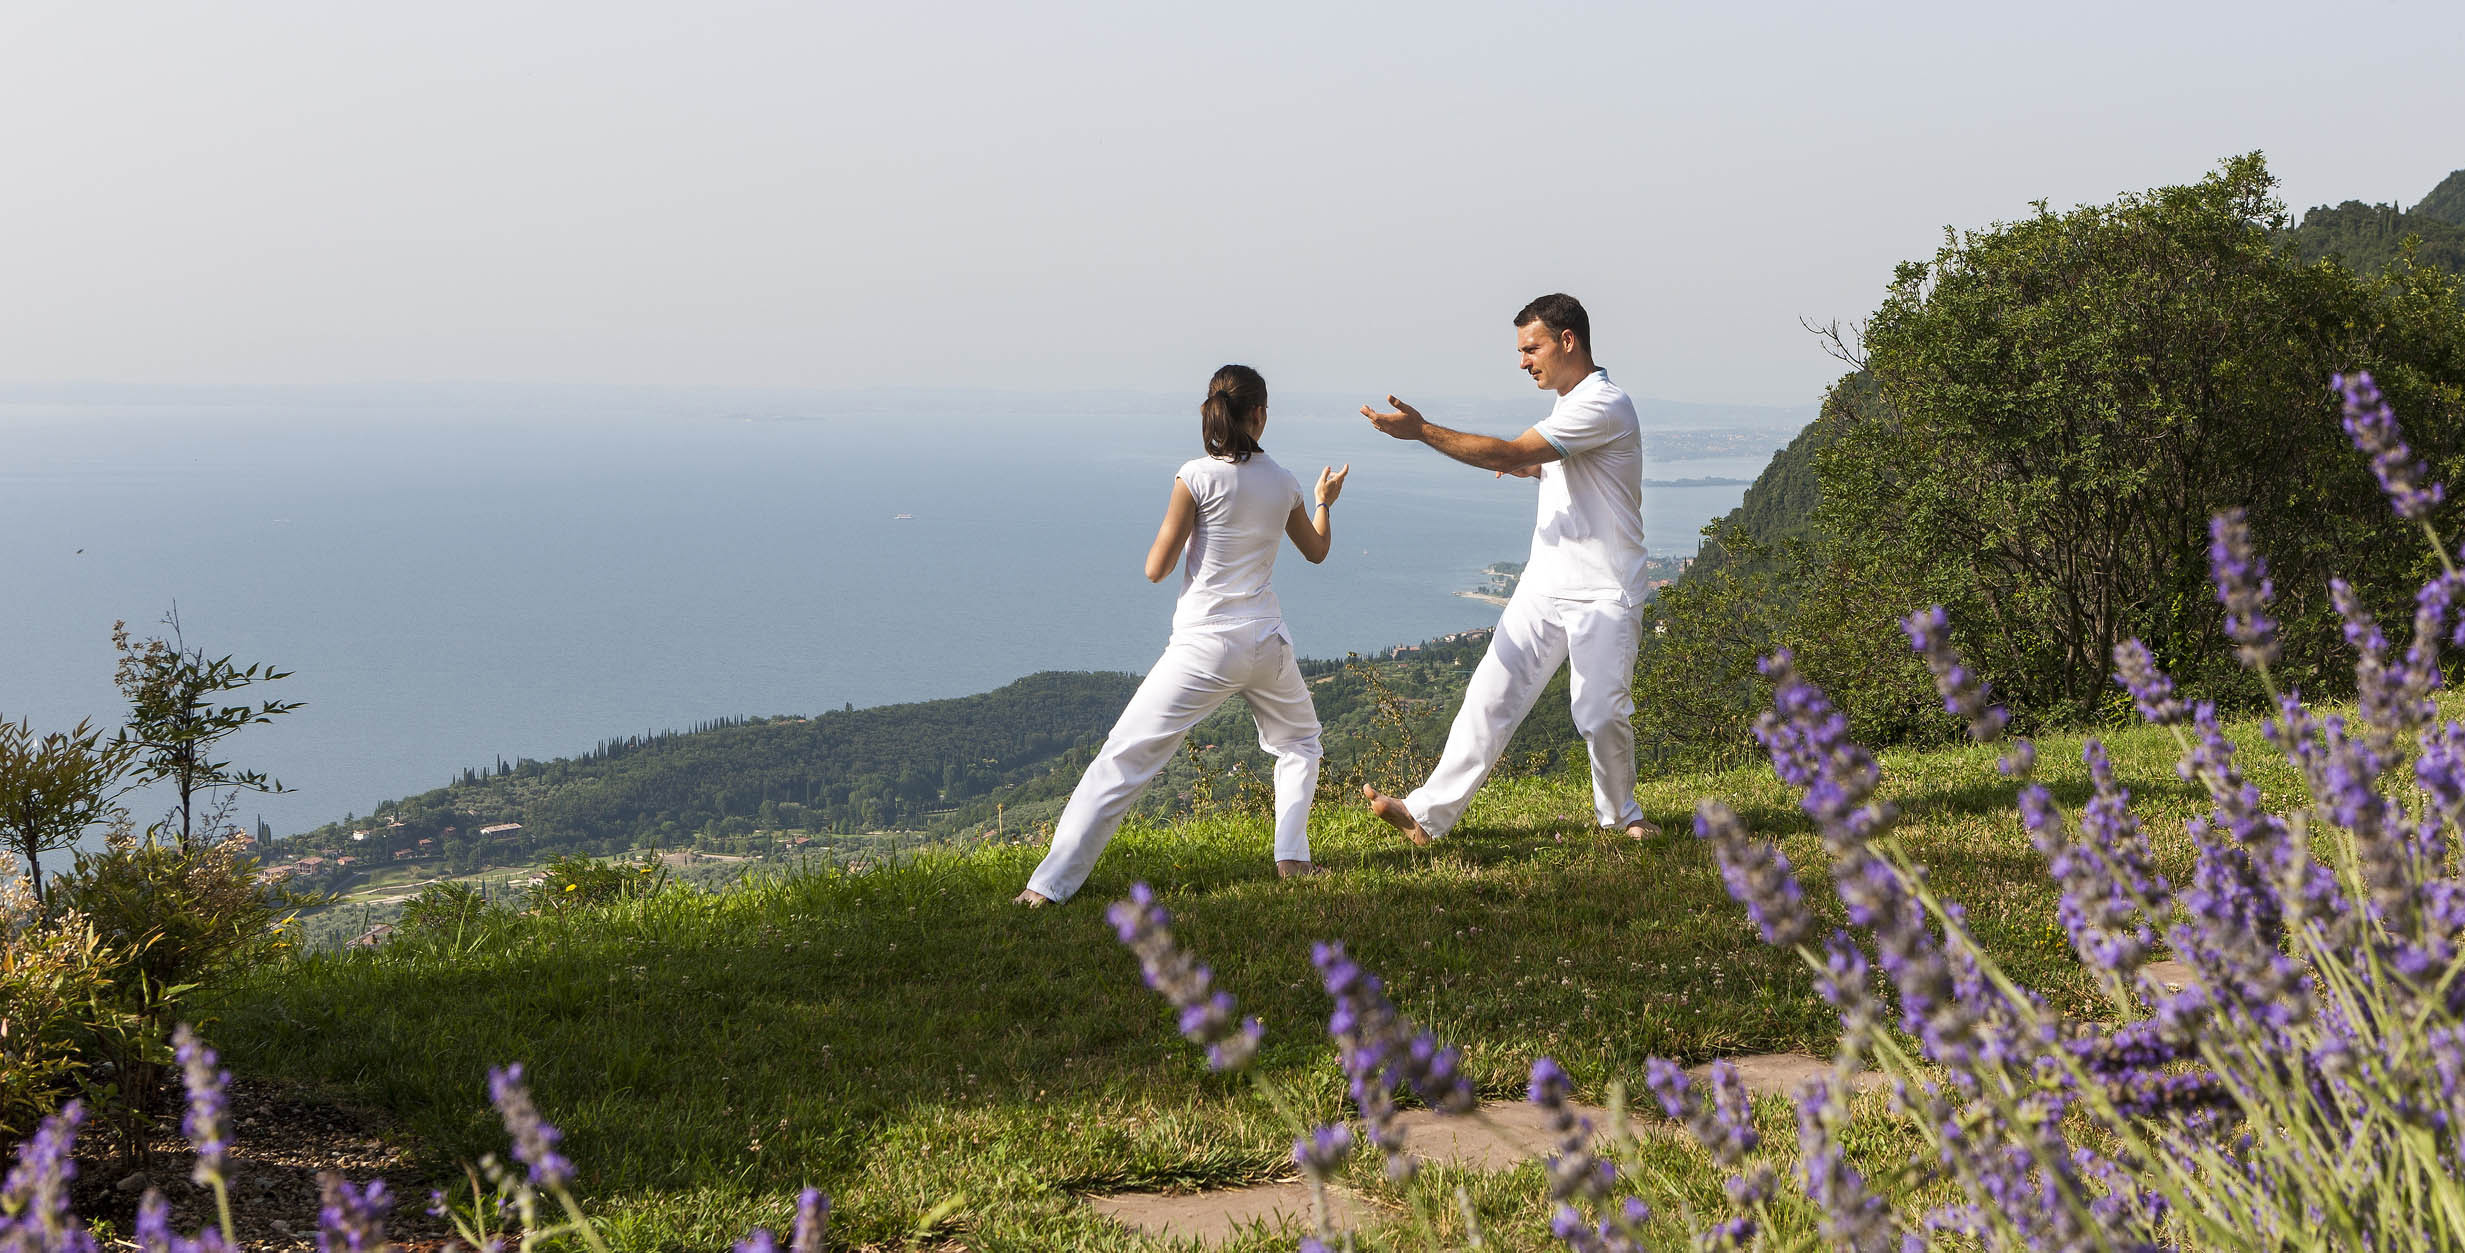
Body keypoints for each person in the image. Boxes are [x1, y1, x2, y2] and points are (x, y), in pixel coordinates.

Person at [1015, 365, 1350, 905]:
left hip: (1204, 645)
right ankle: (1292, 859)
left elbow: (1156, 568)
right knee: (1298, 742)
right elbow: (1316, 551)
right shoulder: (1285, 481)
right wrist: (1324, 501)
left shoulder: (1194, 476)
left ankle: (1047, 886)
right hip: (1267, 643)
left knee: (1125, 756)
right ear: (1261, 414)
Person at [1357, 293, 1660, 846]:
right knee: (1489, 698)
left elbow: (1509, 453)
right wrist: (1529, 470)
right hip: (1544, 586)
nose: (1523, 361)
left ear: (1567, 341)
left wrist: (1423, 431)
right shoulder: (1568, 407)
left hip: (1603, 591)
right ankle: (1425, 817)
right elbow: (1552, 467)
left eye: (1531, 347)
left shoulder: (1604, 404)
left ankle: (1622, 817)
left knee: (1600, 712)